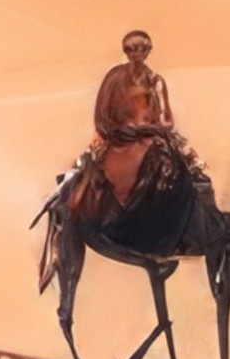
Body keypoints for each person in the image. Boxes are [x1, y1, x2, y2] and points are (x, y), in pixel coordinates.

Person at [76, 27, 188, 223]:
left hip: (143, 136)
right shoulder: (116, 78)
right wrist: (118, 129)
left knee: (179, 168)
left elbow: (165, 119)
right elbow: (102, 110)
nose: (136, 54)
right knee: (85, 171)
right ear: (126, 51)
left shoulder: (154, 81)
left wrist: (148, 129)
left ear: (148, 51)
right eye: (132, 49)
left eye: (141, 49)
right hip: (118, 135)